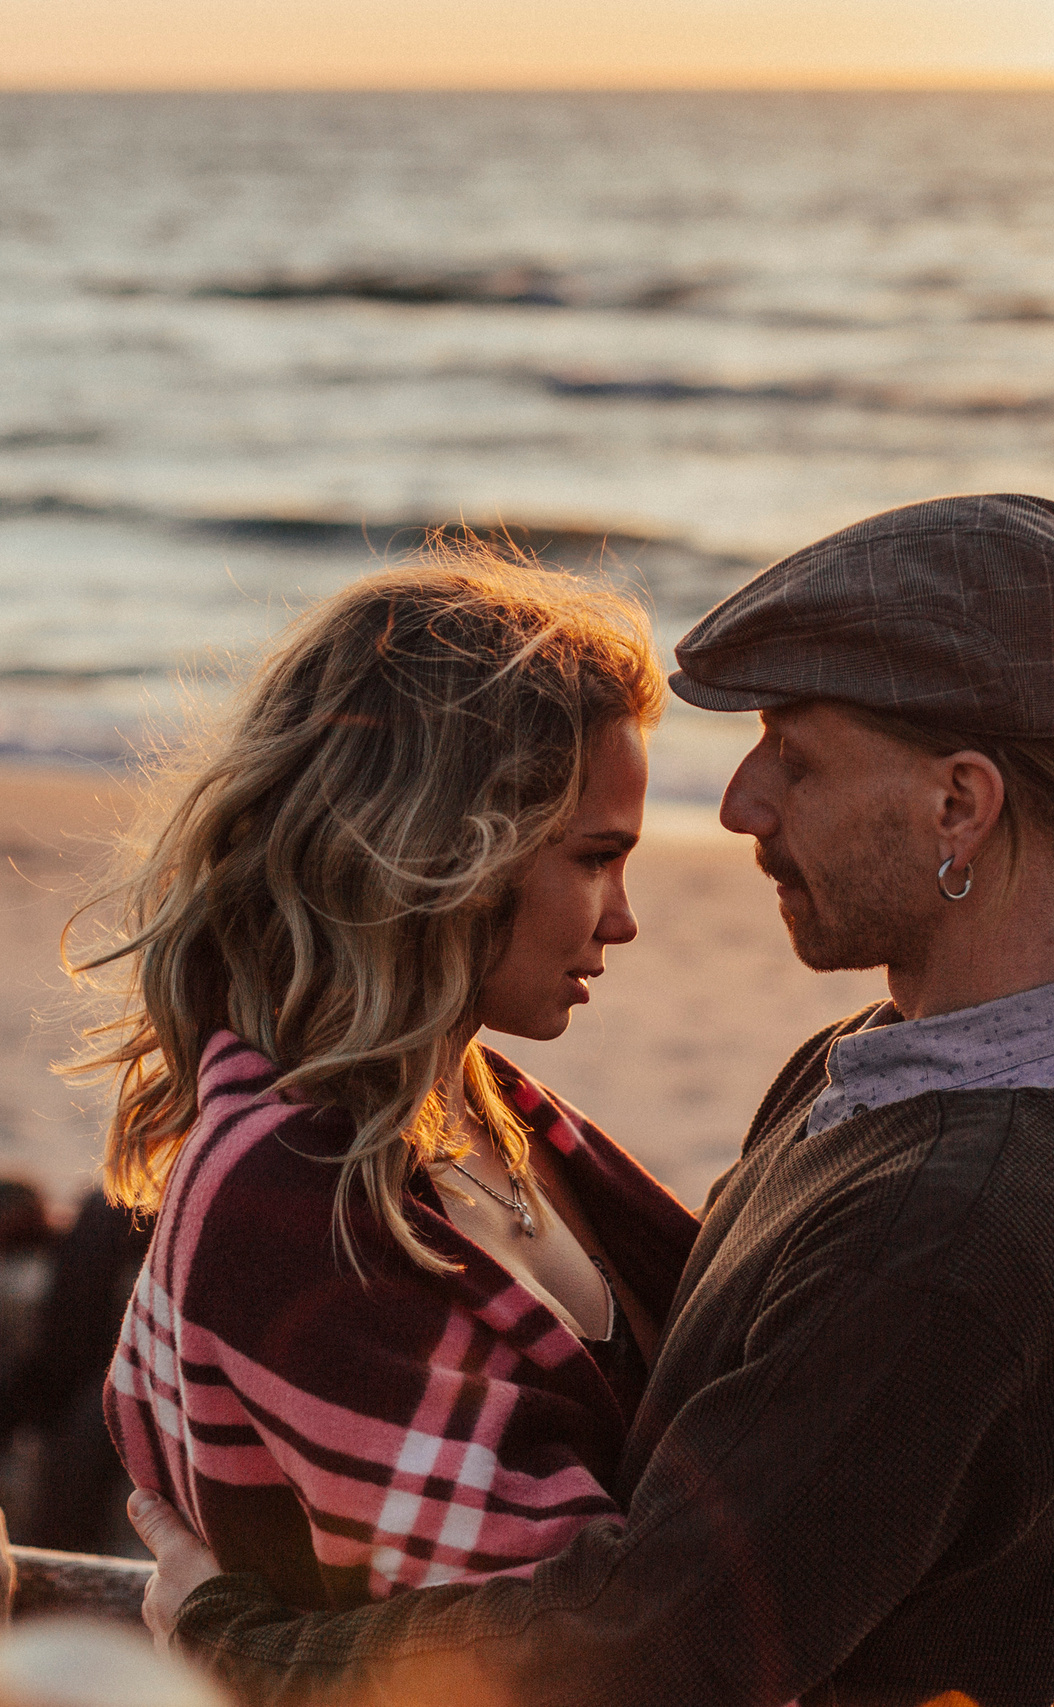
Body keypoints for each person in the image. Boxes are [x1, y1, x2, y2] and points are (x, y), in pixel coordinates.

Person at [128, 493, 1054, 1707]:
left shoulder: (949, 1232)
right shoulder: (865, 1069)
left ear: (958, 805)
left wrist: (233, 1646)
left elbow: (652, 1660)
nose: (740, 803)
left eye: (795, 760)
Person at [76, 549, 699, 1616]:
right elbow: (586, 1657)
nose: (623, 919)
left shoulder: (488, 1105)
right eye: (594, 857)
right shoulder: (282, 1202)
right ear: (448, 852)